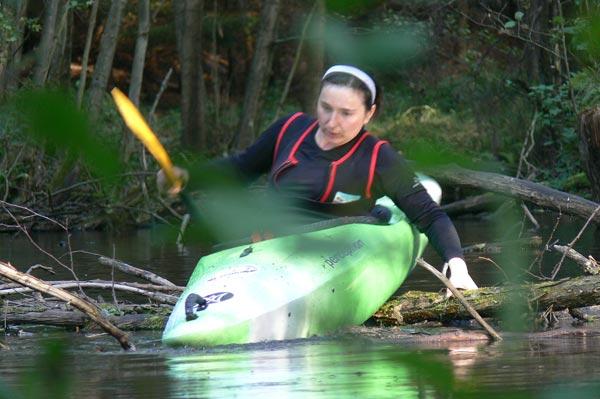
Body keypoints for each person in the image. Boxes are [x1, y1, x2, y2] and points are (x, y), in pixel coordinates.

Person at [158, 65, 478, 291]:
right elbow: (240, 169)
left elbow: (429, 215)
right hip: (268, 249)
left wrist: (457, 266)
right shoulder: (290, 129)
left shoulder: (378, 157)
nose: (331, 122)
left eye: (346, 113)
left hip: (334, 254)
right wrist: (187, 177)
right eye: (325, 107)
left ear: (369, 114)